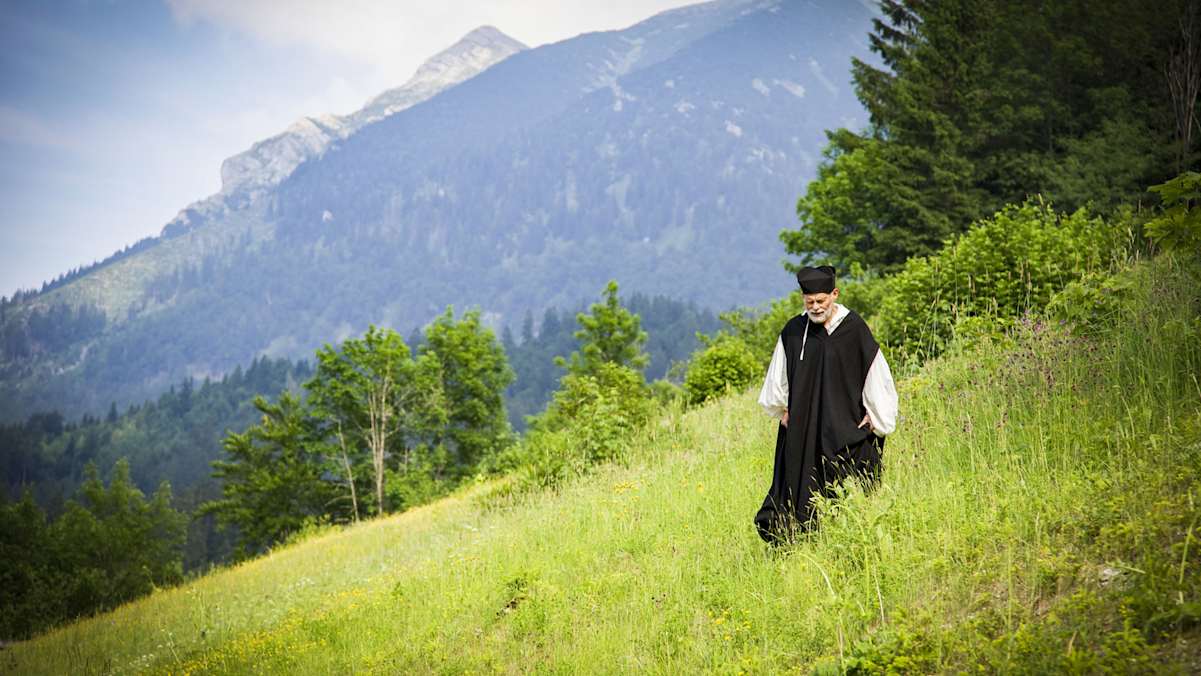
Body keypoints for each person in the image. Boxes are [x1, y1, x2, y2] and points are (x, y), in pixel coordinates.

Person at [754, 265, 898, 542]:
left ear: (834, 294)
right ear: (803, 299)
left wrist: (877, 417)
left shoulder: (854, 329)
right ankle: (800, 543)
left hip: (845, 426)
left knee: (850, 489)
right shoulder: (794, 332)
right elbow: (778, 375)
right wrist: (781, 407)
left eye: (821, 300)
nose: (816, 307)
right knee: (797, 492)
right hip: (804, 430)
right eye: (810, 302)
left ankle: (850, 539)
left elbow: (875, 373)